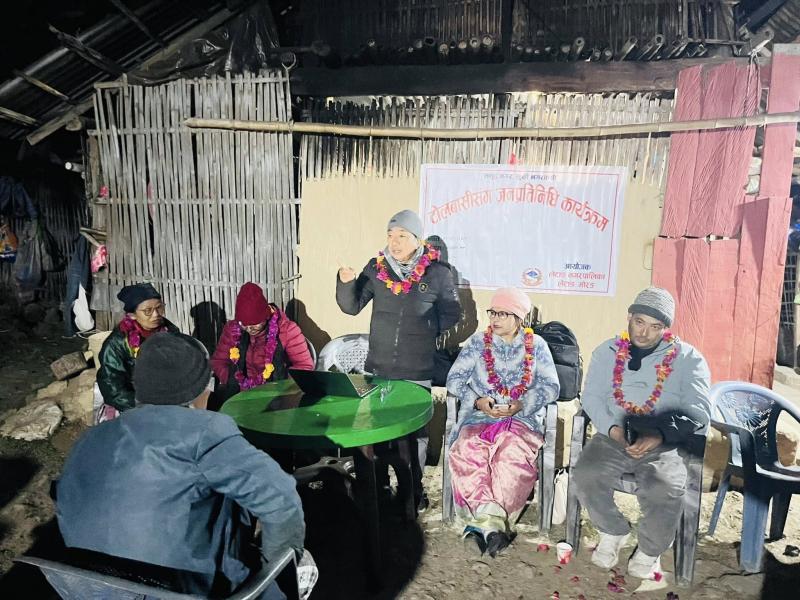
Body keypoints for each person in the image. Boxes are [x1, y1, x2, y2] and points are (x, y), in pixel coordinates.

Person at [56, 332, 311, 600]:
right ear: (199, 389)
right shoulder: (203, 432)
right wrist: (277, 574)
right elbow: (281, 499)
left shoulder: (91, 438)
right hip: (180, 590)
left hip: (91, 588)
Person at [572, 287, 711, 579]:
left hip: (665, 443)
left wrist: (660, 435)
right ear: (629, 317)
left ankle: (650, 550)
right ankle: (612, 530)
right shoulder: (607, 352)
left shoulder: (689, 359)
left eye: (655, 326)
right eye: (639, 322)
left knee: (665, 487)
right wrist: (613, 430)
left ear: (665, 328)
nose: (644, 333)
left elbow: (698, 412)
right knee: (586, 474)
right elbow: (591, 398)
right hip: (613, 436)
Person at [336, 209, 461, 509]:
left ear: (417, 239)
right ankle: (378, 490)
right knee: (376, 432)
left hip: (416, 371)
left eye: (402, 236)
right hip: (377, 369)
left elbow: (452, 314)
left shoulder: (438, 274)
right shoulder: (376, 269)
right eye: (390, 235)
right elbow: (351, 306)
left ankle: (413, 492)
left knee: (414, 437)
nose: (394, 242)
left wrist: (424, 331)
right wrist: (346, 283)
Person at [446, 287, 559, 557]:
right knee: (468, 449)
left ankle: (480, 526)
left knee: (510, 452)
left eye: (503, 314)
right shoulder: (477, 343)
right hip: (479, 417)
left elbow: (551, 386)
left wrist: (522, 404)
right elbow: (454, 379)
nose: (495, 319)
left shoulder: (537, 346)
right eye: (493, 312)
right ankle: (493, 525)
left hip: (522, 419)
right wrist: (477, 400)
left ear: (519, 318)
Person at [210, 282, 314, 406]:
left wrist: (283, 386)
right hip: (239, 394)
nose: (249, 329)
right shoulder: (233, 329)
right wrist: (234, 380)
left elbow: (304, 366)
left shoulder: (287, 330)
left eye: (254, 325)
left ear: (265, 316)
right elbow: (218, 361)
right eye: (244, 325)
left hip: (276, 395)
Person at [95, 282, 178, 420]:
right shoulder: (117, 344)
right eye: (148, 311)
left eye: (159, 308)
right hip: (132, 404)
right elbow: (113, 387)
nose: (156, 314)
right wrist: (144, 407)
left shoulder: (170, 332)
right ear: (132, 315)